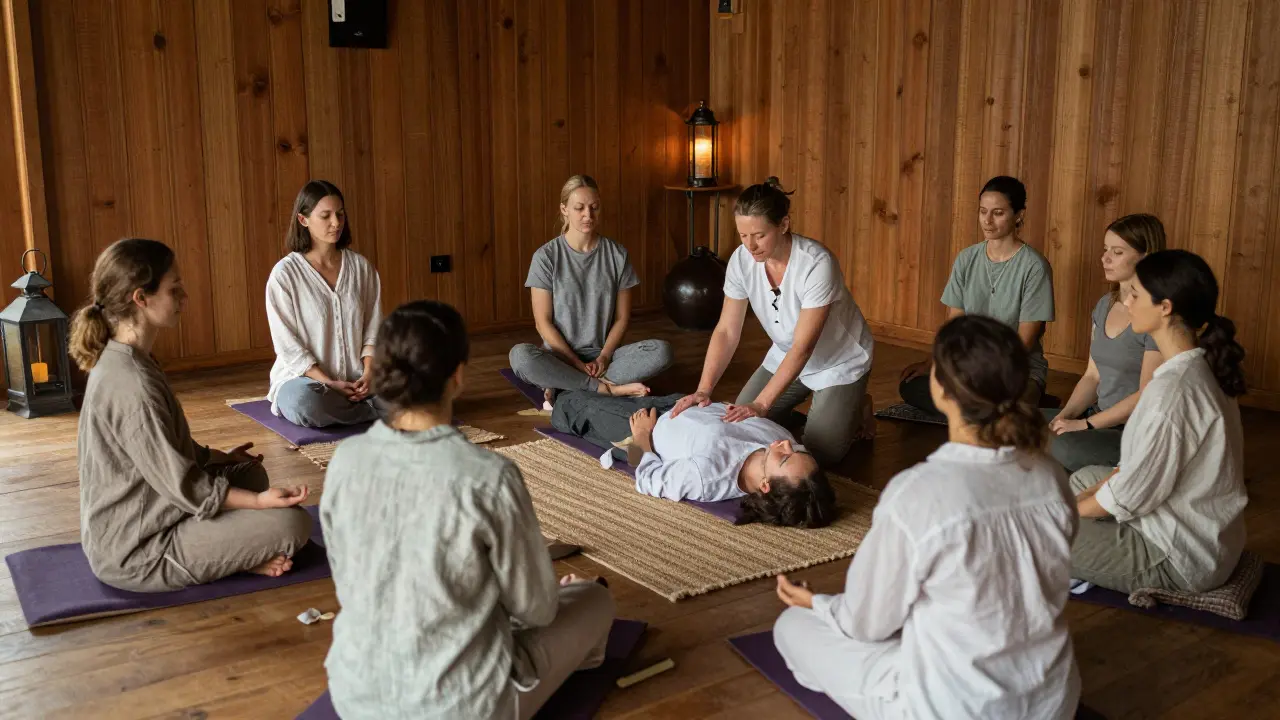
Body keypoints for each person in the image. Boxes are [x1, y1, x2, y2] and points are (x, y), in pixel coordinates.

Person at [772, 315, 1079, 720]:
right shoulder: (1052, 477)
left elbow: (868, 624)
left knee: (792, 627)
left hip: (951, 708)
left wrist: (819, 604)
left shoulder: (918, 492)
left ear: (940, 388)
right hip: (1052, 703)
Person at [322, 300, 615, 720]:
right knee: (594, 600)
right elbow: (535, 609)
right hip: (463, 706)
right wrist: (558, 594)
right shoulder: (489, 475)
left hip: (355, 695)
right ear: (457, 376)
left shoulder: (345, 459)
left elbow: (350, 579)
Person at [71, 238, 312, 592]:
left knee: (249, 473)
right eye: (175, 289)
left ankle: (233, 549)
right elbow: (182, 483)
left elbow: (161, 449)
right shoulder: (132, 383)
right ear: (141, 298)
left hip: (156, 507)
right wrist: (258, 503)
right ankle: (238, 559)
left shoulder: (129, 357)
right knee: (292, 525)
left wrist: (218, 458)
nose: (184, 298)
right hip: (139, 549)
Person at [1070, 250, 1247, 594]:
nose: (1128, 302)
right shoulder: (1196, 366)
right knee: (1082, 479)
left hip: (1181, 559)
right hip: (1194, 529)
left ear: (1165, 307)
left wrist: (1066, 513)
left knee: (1032, 528)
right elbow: (1133, 474)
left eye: (1135, 294)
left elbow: (1130, 496)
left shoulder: (1172, 392)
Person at [670, 177, 876, 467]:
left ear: (784, 225)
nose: (750, 245)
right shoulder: (741, 261)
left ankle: (855, 407)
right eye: (743, 235)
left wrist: (762, 404)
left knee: (818, 455)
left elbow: (803, 347)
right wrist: (704, 389)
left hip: (837, 363)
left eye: (759, 235)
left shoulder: (816, 264)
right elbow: (727, 331)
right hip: (784, 355)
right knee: (739, 424)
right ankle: (827, 412)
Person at [549, 391, 838, 528]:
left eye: (785, 458)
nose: (786, 444)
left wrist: (641, 441)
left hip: (643, 426)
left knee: (569, 404)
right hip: (681, 401)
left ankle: (566, 389)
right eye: (797, 451)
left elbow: (647, 480)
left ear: (765, 485)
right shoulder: (776, 439)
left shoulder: (707, 477)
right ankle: (608, 387)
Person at [509, 175, 672, 404]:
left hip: (605, 357)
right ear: (564, 209)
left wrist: (604, 357)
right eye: (579, 208)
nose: (588, 215)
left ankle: (566, 384)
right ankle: (605, 389)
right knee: (521, 357)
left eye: (594, 207)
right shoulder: (546, 257)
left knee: (662, 351)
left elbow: (622, 318)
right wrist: (576, 364)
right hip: (560, 357)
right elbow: (542, 323)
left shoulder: (617, 255)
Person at [899, 176, 1055, 414]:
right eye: (983, 211)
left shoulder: (1034, 266)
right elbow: (956, 325)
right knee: (912, 387)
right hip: (969, 368)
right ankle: (984, 409)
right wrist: (933, 363)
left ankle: (1008, 404)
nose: (988, 221)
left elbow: (1023, 343)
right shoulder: (966, 258)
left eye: (998, 213)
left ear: (1019, 215)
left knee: (997, 404)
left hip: (1013, 370)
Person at [1045, 214, 1166, 472]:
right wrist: (1066, 415)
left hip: (1132, 431)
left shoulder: (1156, 313)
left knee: (1063, 446)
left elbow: (1146, 395)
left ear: (1145, 257)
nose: (1105, 258)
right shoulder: (1105, 304)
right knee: (1011, 422)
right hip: (1097, 414)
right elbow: (1092, 376)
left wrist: (1085, 425)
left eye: (1117, 251)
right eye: (1105, 249)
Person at [266, 180, 383, 428]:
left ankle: (361, 406)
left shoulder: (361, 268)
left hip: (360, 379)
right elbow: (288, 347)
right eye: (326, 215)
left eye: (340, 214)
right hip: (307, 383)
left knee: (420, 380)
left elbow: (373, 330)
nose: (336, 223)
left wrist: (369, 373)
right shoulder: (285, 275)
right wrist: (329, 384)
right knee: (306, 403)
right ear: (303, 220)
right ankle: (378, 411)